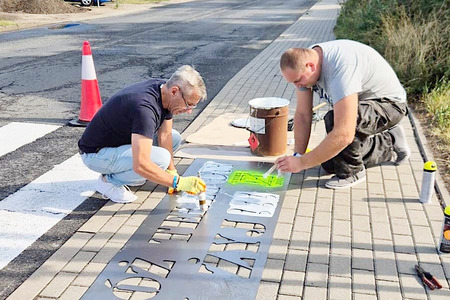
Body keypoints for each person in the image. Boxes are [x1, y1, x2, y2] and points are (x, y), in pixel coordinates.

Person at [275, 39, 411, 189]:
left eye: (298, 80)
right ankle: (390, 141)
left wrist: (301, 164)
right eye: (293, 82)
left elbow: (344, 133)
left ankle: (352, 173)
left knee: (335, 122)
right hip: (363, 105)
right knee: (329, 162)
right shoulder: (303, 62)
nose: (298, 86)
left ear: (311, 66)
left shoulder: (341, 68)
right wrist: (298, 157)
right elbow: (302, 115)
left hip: (389, 105)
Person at [78, 65, 207, 203]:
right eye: (188, 104)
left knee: (174, 138)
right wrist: (177, 182)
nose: (189, 111)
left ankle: (131, 175)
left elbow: (165, 135)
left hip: (119, 143)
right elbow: (141, 164)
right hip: (96, 154)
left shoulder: (164, 90)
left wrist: (172, 171)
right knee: (160, 159)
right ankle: (108, 182)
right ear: (175, 91)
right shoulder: (145, 109)